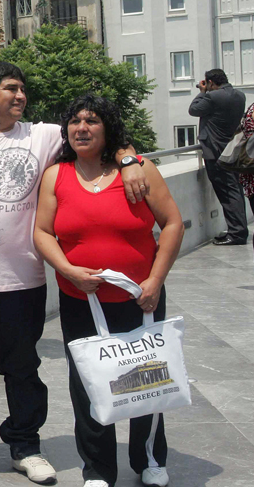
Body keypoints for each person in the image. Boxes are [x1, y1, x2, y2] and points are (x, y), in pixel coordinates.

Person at [0, 61, 149, 487]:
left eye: (22, 89)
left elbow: (97, 134)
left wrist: (130, 159)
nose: (20, 96)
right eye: (10, 88)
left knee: (23, 369)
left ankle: (24, 446)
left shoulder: (41, 135)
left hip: (22, 280)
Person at [34, 94, 183, 487]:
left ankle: (149, 457)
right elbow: (42, 232)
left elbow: (172, 224)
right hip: (80, 299)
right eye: (75, 121)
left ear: (108, 129)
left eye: (92, 121)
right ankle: (97, 469)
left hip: (140, 296)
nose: (82, 128)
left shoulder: (138, 170)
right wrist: (67, 270)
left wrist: (154, 281)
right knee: (89, 383)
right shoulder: (57, 175)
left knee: (146, 376)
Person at [188, 68, 248, 245]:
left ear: (211, 83)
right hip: (232, 150)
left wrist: (202, 92)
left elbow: (193, 110)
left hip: (216, 152)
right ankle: (237, 230)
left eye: (207, 83)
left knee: (228, 193)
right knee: (234, 190)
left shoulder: (212, 97)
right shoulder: (239, 96)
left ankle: (237, 233)